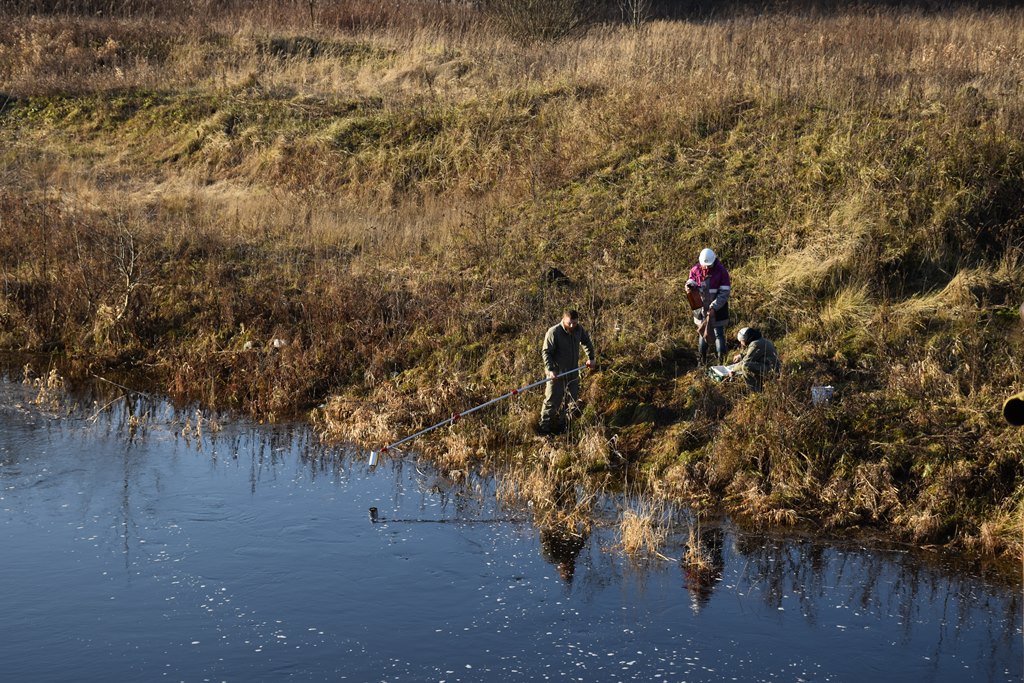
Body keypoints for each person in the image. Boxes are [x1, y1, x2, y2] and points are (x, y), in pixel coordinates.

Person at [538, 309, 595, 435]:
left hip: (573, 374)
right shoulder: (554, 332)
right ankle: (544, 428)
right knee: (552, 402)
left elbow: (586, 342)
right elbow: (546, 352)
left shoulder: (578, 329)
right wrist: (551, 370)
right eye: (569, 323)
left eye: (574, 323)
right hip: (556, 375)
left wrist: (591, 358)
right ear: (564, 319)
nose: (571, 326)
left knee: (571, 402)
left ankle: (562, 425)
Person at [685, 248, 731, 364]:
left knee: (718, 334)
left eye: (708, 266)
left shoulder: (721, 272)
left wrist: (714, 307)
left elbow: (724, 293)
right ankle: (702, 361)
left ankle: (722, 362)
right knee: (702, 334)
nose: (706, 268)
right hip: (700, 310)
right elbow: (690, 281)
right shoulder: (695, 269)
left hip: (717, 309)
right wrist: (689, 286)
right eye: (704, 265)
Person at [728, 327, 780, 391]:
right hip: (771, 367)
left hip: (772, 370)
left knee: (745, 366)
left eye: (741, 341)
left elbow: (746, 361)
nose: (741, 343)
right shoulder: (760, 340)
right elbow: (751, 352)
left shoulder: (755, 344)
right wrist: (740, 356)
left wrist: (733, 369)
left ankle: (755, 390)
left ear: (746, 339)